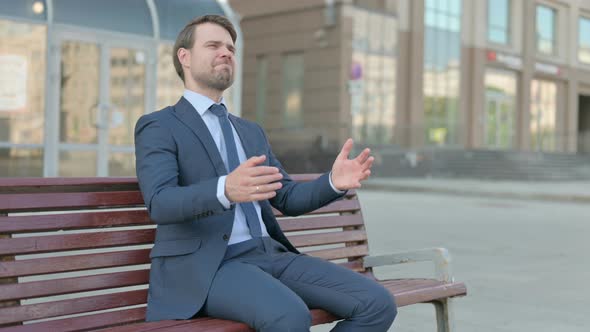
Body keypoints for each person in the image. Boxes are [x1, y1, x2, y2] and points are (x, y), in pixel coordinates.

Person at [134, 14, 397, 332]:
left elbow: (287, 197)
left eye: (231, 48)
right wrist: (224, 189)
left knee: (377, 304)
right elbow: (160, 201)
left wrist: (332, 182)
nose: (226, 53)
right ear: (184, 57)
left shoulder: (250, 131)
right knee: (289, 315)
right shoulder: (160, 125)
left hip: (269, 254)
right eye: (214, 45)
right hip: (209, 267)